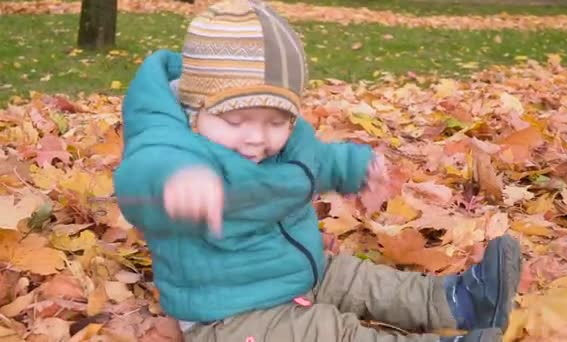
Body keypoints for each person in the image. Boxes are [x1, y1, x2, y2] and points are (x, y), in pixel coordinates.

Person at [113, 0, 522, 341]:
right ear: (194, 109)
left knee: (359, 278)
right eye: (237, 122)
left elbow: (315, 161)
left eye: (277, 121)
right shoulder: (172, 148)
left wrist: (355, 167)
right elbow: (139, 179)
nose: (257, 137)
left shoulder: (279, 138)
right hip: (231, 314)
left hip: (299, 268)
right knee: (326, 333)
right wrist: (173, 185)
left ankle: (461, 300)